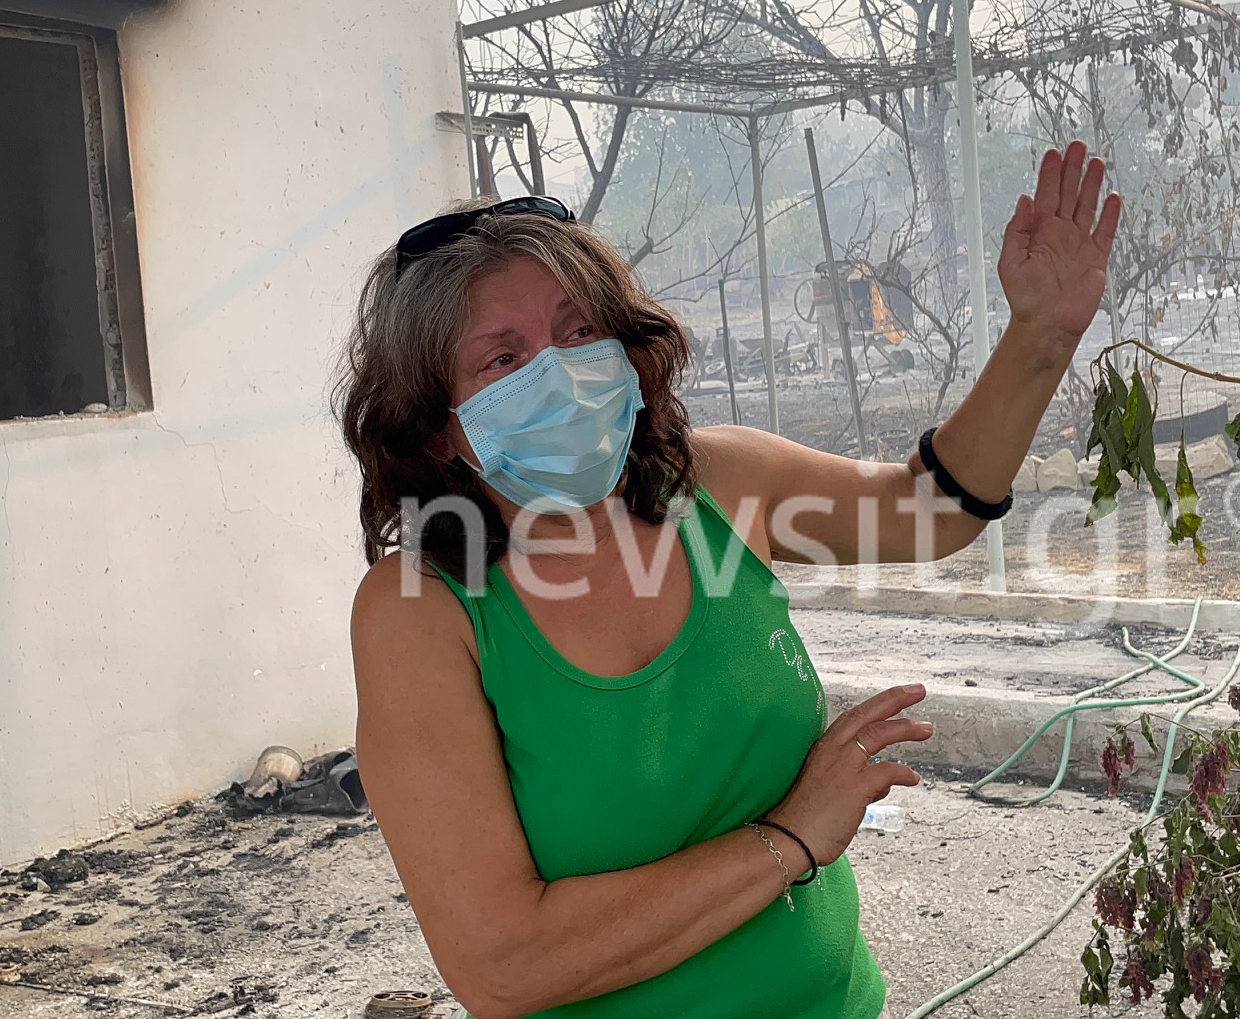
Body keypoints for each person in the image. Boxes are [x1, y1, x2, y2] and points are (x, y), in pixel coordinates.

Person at [339, 142, 1121, 1019]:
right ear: (437, 426)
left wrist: (1040, 336)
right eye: (503, 360)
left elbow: (931, 512)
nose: (559, 372)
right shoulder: (421, 612)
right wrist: (788, 837)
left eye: (578, 331)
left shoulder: (719, 483)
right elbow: (503, 967)